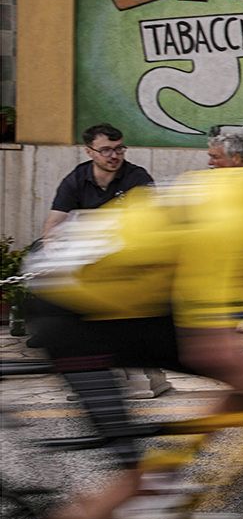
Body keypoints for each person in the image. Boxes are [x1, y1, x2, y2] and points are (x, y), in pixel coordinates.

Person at [20, 112, 243, 519]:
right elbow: (211, 348)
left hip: (129, 298)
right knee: (137, 474)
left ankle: (180, 467)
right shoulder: (234, 220)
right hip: (73, 308)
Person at [42, 123, 167, 399]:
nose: (114, 156)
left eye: (119, 148)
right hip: (89, 265)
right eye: (106, 150)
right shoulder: (76, 179)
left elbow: (153, 226)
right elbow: (53, 224)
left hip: (131, 262)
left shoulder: (137, 178)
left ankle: (143, 373)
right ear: (89, 152)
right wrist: (54, 251)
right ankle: (94, 375)